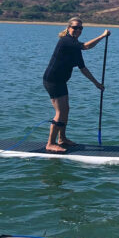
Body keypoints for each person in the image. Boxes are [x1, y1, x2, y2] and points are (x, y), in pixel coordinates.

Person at [43, 17, 110, 152]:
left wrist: (96, 84)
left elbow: (83, 68)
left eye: (80, 28)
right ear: (68, 28)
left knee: (66, 110)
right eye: (75, 27)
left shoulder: (74, 46)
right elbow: (86, 46)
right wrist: (102, 36)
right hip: (52, 81)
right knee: (60, 112)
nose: (78, 30)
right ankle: (50, 143)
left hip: (61, 81)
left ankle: (62, 139)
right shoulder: (66, 41)